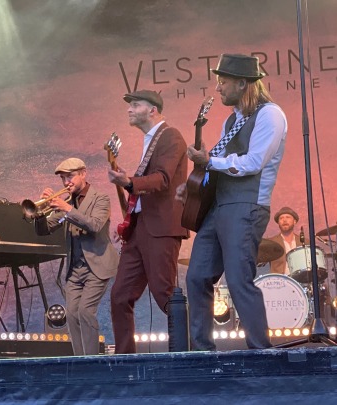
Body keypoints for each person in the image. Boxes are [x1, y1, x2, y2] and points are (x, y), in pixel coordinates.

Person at [183, 54, 287, 350]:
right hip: (220, 206)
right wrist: (191, 187)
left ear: (243, 83)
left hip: (246, 205)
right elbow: (218, 165)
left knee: (239, 279)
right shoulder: (233, 120)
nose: (218, 88)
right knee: (197, 276)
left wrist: (209, 160)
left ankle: (260, 351)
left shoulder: (270, 115)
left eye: (223, 81)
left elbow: (253, 162)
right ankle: (202, 353)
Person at [107, 89, 189, 354]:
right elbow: (147, 184)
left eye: (135, 104)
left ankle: (189, 350)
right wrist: (128, 184)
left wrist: (129, 181)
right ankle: (124, 360)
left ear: (152, 110)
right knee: (120, 295)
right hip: (140, 228)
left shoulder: (170, 136)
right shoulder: (152, 140)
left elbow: (163, 179)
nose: (129, 109)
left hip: (161, 228)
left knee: (165, 294)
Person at [32, 158, 119, 356]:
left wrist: (67, 209)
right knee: (71, 315)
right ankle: (80, 359)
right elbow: (44, 230)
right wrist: (39, 214)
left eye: (70, 176)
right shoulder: (68, 202)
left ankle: (91, 360)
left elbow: (94, 225)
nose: (66, 182)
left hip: (97, 266)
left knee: (85, 312)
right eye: (63, 178)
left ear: (83, 173)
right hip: (75, 269)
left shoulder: (100, 198)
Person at [267, 207, 301, 275]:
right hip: (279, 280)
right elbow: (260, 260)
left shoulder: (304, 242)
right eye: (281, 218)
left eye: (288, 217)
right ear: (278, 223)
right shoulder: (271, 243)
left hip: (301, 280)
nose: (284, 220)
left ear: (294, 221)